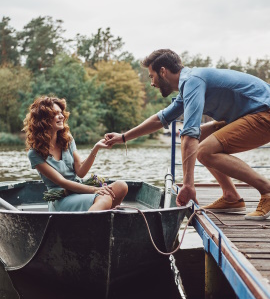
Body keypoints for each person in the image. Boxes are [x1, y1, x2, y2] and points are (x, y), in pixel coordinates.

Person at [105, 49, 270, 221]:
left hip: (265, 113)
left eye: (151, 76)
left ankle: (267, 190)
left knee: (204, 150)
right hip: (251, 114)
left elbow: (190, 134)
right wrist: (123, 137)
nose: (152, 83)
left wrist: (188, 185)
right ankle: (231, 196)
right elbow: (160, 119)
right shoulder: (189, 83)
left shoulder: (193, 81)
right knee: (203, 142)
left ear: (163, 71)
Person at [24, 96, 128, 212]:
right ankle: (86, 227)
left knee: (121, 186)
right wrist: (94, 190)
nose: (62, 116)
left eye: (61, 113)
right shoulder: (34, 153)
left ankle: (101, 220)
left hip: (78, 190)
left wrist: (96, 148)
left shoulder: (67, 140)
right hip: (61, 199)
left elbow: (81, 172)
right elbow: (62, 182)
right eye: (56, 113)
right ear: (43, 120)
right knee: (104, 198)